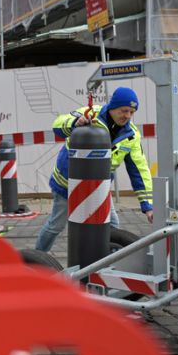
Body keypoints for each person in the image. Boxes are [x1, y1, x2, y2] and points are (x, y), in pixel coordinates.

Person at [35, 87, 154, 252]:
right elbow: (57, 125)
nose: (127, 116)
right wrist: (74, 124)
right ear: (113, 107)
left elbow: (139, 170)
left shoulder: (131, 136)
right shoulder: (90, 114)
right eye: (124, 110)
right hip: (68, 185)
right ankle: (37, 259)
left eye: (132, 112)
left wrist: (148, 205)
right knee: (56, 225)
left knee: (112, 224)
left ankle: (105, 262)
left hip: (99, 187)